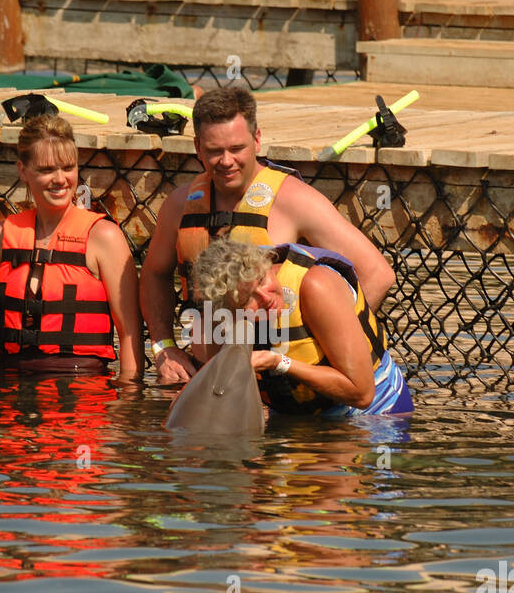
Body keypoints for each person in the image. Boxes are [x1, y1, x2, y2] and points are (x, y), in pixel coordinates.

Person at [140, 86, 396, 383]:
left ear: (257, 139)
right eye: (214, 151)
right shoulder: (180, 205)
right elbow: (154, 275)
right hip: (214, 380)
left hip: (294, 382)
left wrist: (326, 357)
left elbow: (377, 274)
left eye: (237, 149)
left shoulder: (295, 200)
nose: (226, 161)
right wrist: (164, 347)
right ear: (197, 147)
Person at [0, 115, 144, 381]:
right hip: (7, 387)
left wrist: (128, 400)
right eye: (47, 169)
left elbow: (129, 332)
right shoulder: (0, 235)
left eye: (68, 167)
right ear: (23, 171)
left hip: (81, 391)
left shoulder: (104, 236)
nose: (60, 179)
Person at [190, 238, 413, 417]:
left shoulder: (316, 286)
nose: (265, 298)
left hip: (374, 416)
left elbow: (361, 394)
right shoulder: (219, 310)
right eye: (247, 298)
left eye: (261, 281)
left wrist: (278, 362)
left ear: (266, 264)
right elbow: (218, 392)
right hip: (295, 422)